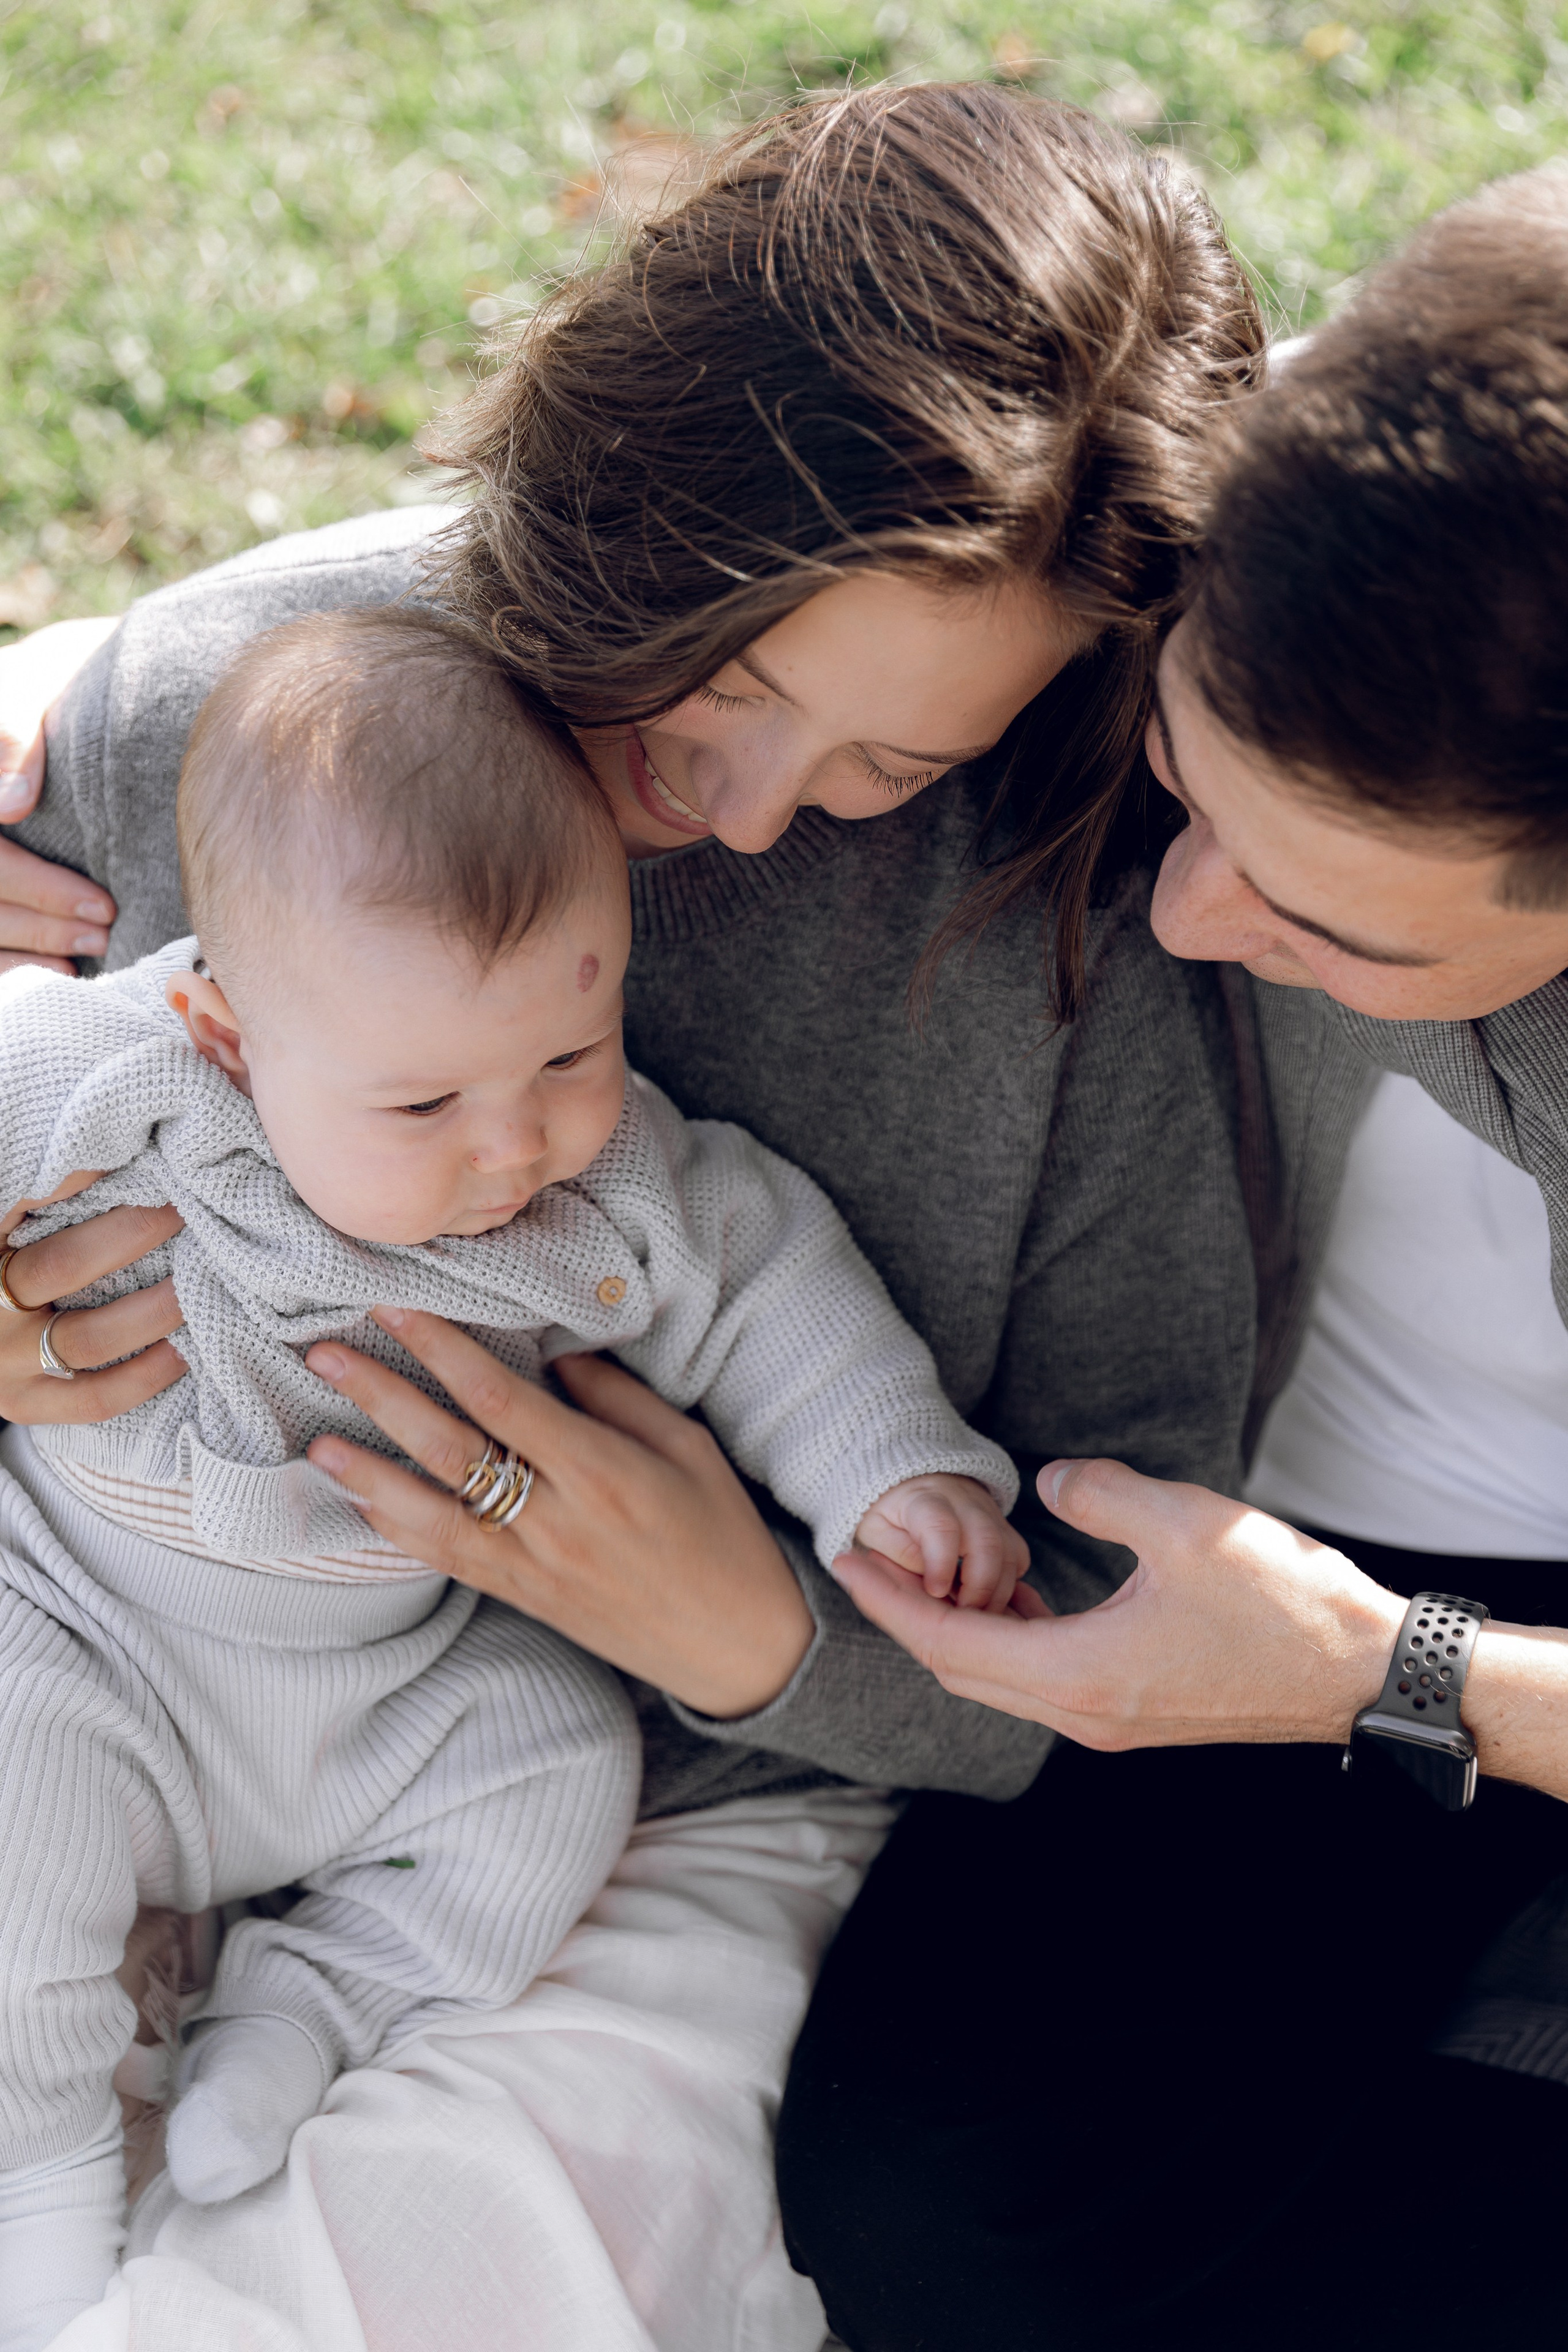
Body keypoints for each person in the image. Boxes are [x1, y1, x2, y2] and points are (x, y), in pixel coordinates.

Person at [0, 83, 1275, 2346]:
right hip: (98, 1648)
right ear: (631, 505)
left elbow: (1116, 1633)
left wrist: (761, 1634)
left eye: (890, 761)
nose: (763, 815)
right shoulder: (239, 716)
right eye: (740, 683)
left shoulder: (1078, 957)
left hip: (664, 1787)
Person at [0, 602, 1025, 2352]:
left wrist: (894, 1477)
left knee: (561, 1762)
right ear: (229, 1024)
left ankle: (314, 2004)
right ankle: (37, 2181)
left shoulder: (615, 1188)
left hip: (397, 1683)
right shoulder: (122, 1080)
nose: (513, 1146)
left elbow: (779, 1294)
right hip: (92, 1641)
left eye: (570, 1050)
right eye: (422, 1107)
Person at [781, 166, 1568, 2350]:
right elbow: (800, 549)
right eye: (1189, 789)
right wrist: (142, 676)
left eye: (1335, 925)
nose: (1201, 922)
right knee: (943, 2217)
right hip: (1284, 1525)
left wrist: (1393, 1677)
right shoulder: (1372, 468)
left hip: (1395, 1646)